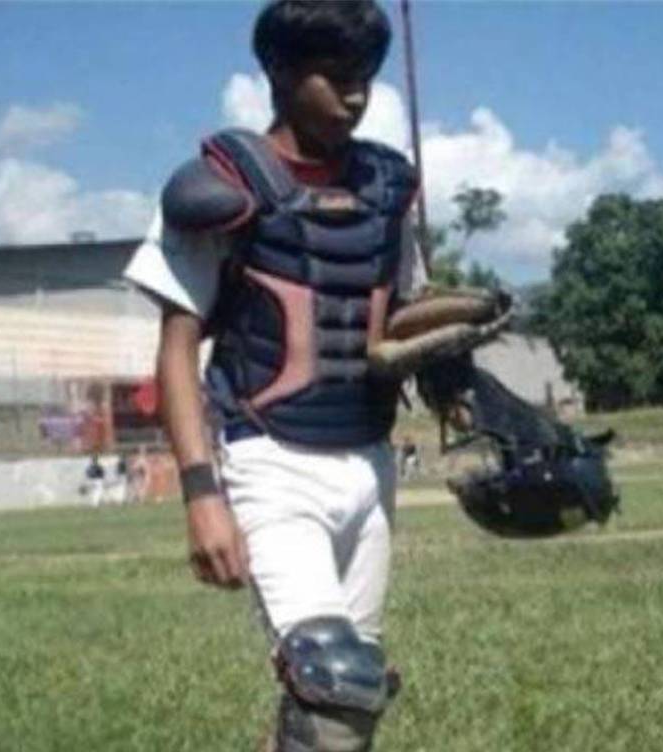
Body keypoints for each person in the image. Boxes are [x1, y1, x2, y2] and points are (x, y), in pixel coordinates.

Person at [123, 2, 426, 749]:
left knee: (347, 698)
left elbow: (410, 318)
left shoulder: (389, 188)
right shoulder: (222, 186)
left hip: (368, 458)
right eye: (337, 77)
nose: (355, 96)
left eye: (366, 78)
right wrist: (201, 494)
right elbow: (176, 345)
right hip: (269, 457)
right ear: (282, 73)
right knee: (334, 681)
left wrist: (471, 386)